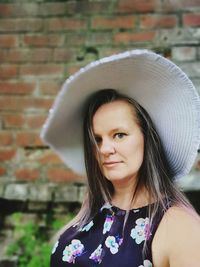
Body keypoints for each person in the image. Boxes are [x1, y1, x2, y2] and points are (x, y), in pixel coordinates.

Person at [41, 49, 200, 267]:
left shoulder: (179, 225)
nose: (105, 148)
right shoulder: (93, 208)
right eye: (97, 139)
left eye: (119, 135)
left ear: (147, 138)